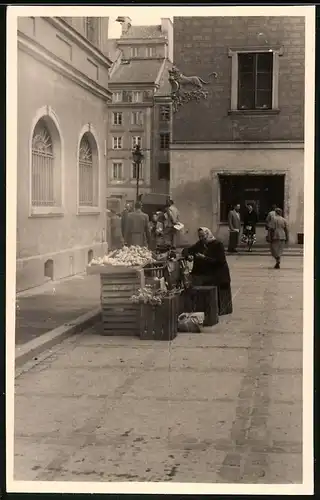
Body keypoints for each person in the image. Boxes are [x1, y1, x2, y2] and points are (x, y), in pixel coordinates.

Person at [182, 227, 232, 315]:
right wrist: (188, 256)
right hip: (207, 273)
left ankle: (219, 310)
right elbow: (186, 250)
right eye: (199, 237)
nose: (201, 239)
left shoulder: (217, 244)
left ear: (208, 234)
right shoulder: (200, 244)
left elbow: (220, 261)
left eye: (203, 236)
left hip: (218, 273)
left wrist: (205, 258)